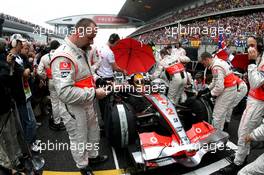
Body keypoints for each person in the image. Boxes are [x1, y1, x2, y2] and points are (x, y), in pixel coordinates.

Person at [50, 18, 108, 175]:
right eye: (90, 37)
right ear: (79, 32)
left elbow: (85, 75)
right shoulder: (64, 56)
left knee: (93, 132)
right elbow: (64, 92)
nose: (92, 41)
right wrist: (94, 93)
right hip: (74, 108)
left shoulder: (80, 51)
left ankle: (92, 157)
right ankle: (83, 166)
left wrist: (98, 80)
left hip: (86, 103)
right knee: (79, 138)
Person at [219, 36, 264, 174]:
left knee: (243, 133)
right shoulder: (259, 58)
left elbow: (256, 82)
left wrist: (251, 62)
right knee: (245, 133)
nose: (249, 48)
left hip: (258, 102)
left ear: (260, 46)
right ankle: (242, 156)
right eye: (248, 45)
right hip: (254, 100)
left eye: (252, 45)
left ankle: (239, 162)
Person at [8, 34, 38, 151]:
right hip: (20, 95)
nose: (22, 45)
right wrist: (27, 71)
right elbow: (24, 72)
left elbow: (28, 69)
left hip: (26, 92)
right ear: (15, 43)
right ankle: (29, 144)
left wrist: (28, 70)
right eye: (20, 43)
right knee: (29, 121)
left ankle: (32, 140)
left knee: (31, 121)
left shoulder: (20, 57)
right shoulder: (10, 57)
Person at [198, 52, 237, 131]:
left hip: (228, 90)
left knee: (217, 115)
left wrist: (209, 94)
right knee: (221, 114)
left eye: (203, 63)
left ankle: (215, 134)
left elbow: (219, 87)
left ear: (207, 59)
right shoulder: (217, 61)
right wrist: (207, 89)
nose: (204, 65)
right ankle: (220, 132)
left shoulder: (216, 67)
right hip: (230, 89)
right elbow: (215, 80)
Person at [37, 40, 65, 131]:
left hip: (51, 81)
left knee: (54, 102)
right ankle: (62, 120)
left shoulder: (44, 57)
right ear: (57, 47)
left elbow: (39, 71)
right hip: (60, 81)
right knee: (62, 101)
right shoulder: (61, 56)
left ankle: (56, 121)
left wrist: (46, 76)